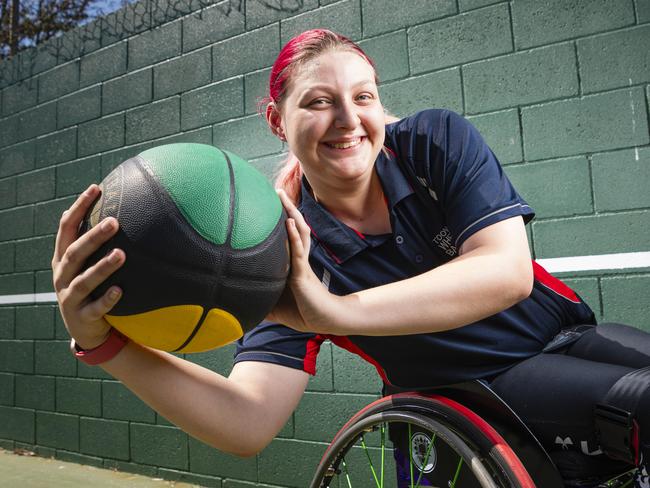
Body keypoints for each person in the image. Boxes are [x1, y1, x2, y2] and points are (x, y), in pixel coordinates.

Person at [52, 29, 650, 486]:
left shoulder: (432, 141)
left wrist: (334, 311)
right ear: (276, 122)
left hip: (571, 336)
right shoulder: (273, 247)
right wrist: (107, 345)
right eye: (318, 102)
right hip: (479, 389)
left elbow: (507, 272)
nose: (348, 120)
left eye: (361, 96)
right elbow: (246, 421)